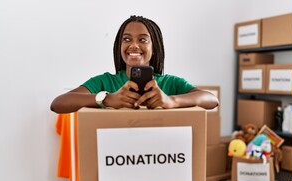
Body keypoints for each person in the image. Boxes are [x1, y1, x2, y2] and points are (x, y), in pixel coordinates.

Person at [50, 15, 219, 113]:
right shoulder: (105, 82)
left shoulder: (170, 83)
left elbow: (211, 100)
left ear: (155, 47)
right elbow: (58, 103)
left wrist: (171, 101)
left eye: (143, 39)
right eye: (127, 39)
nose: (134, 45)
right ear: (119, 46)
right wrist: (108, 99)